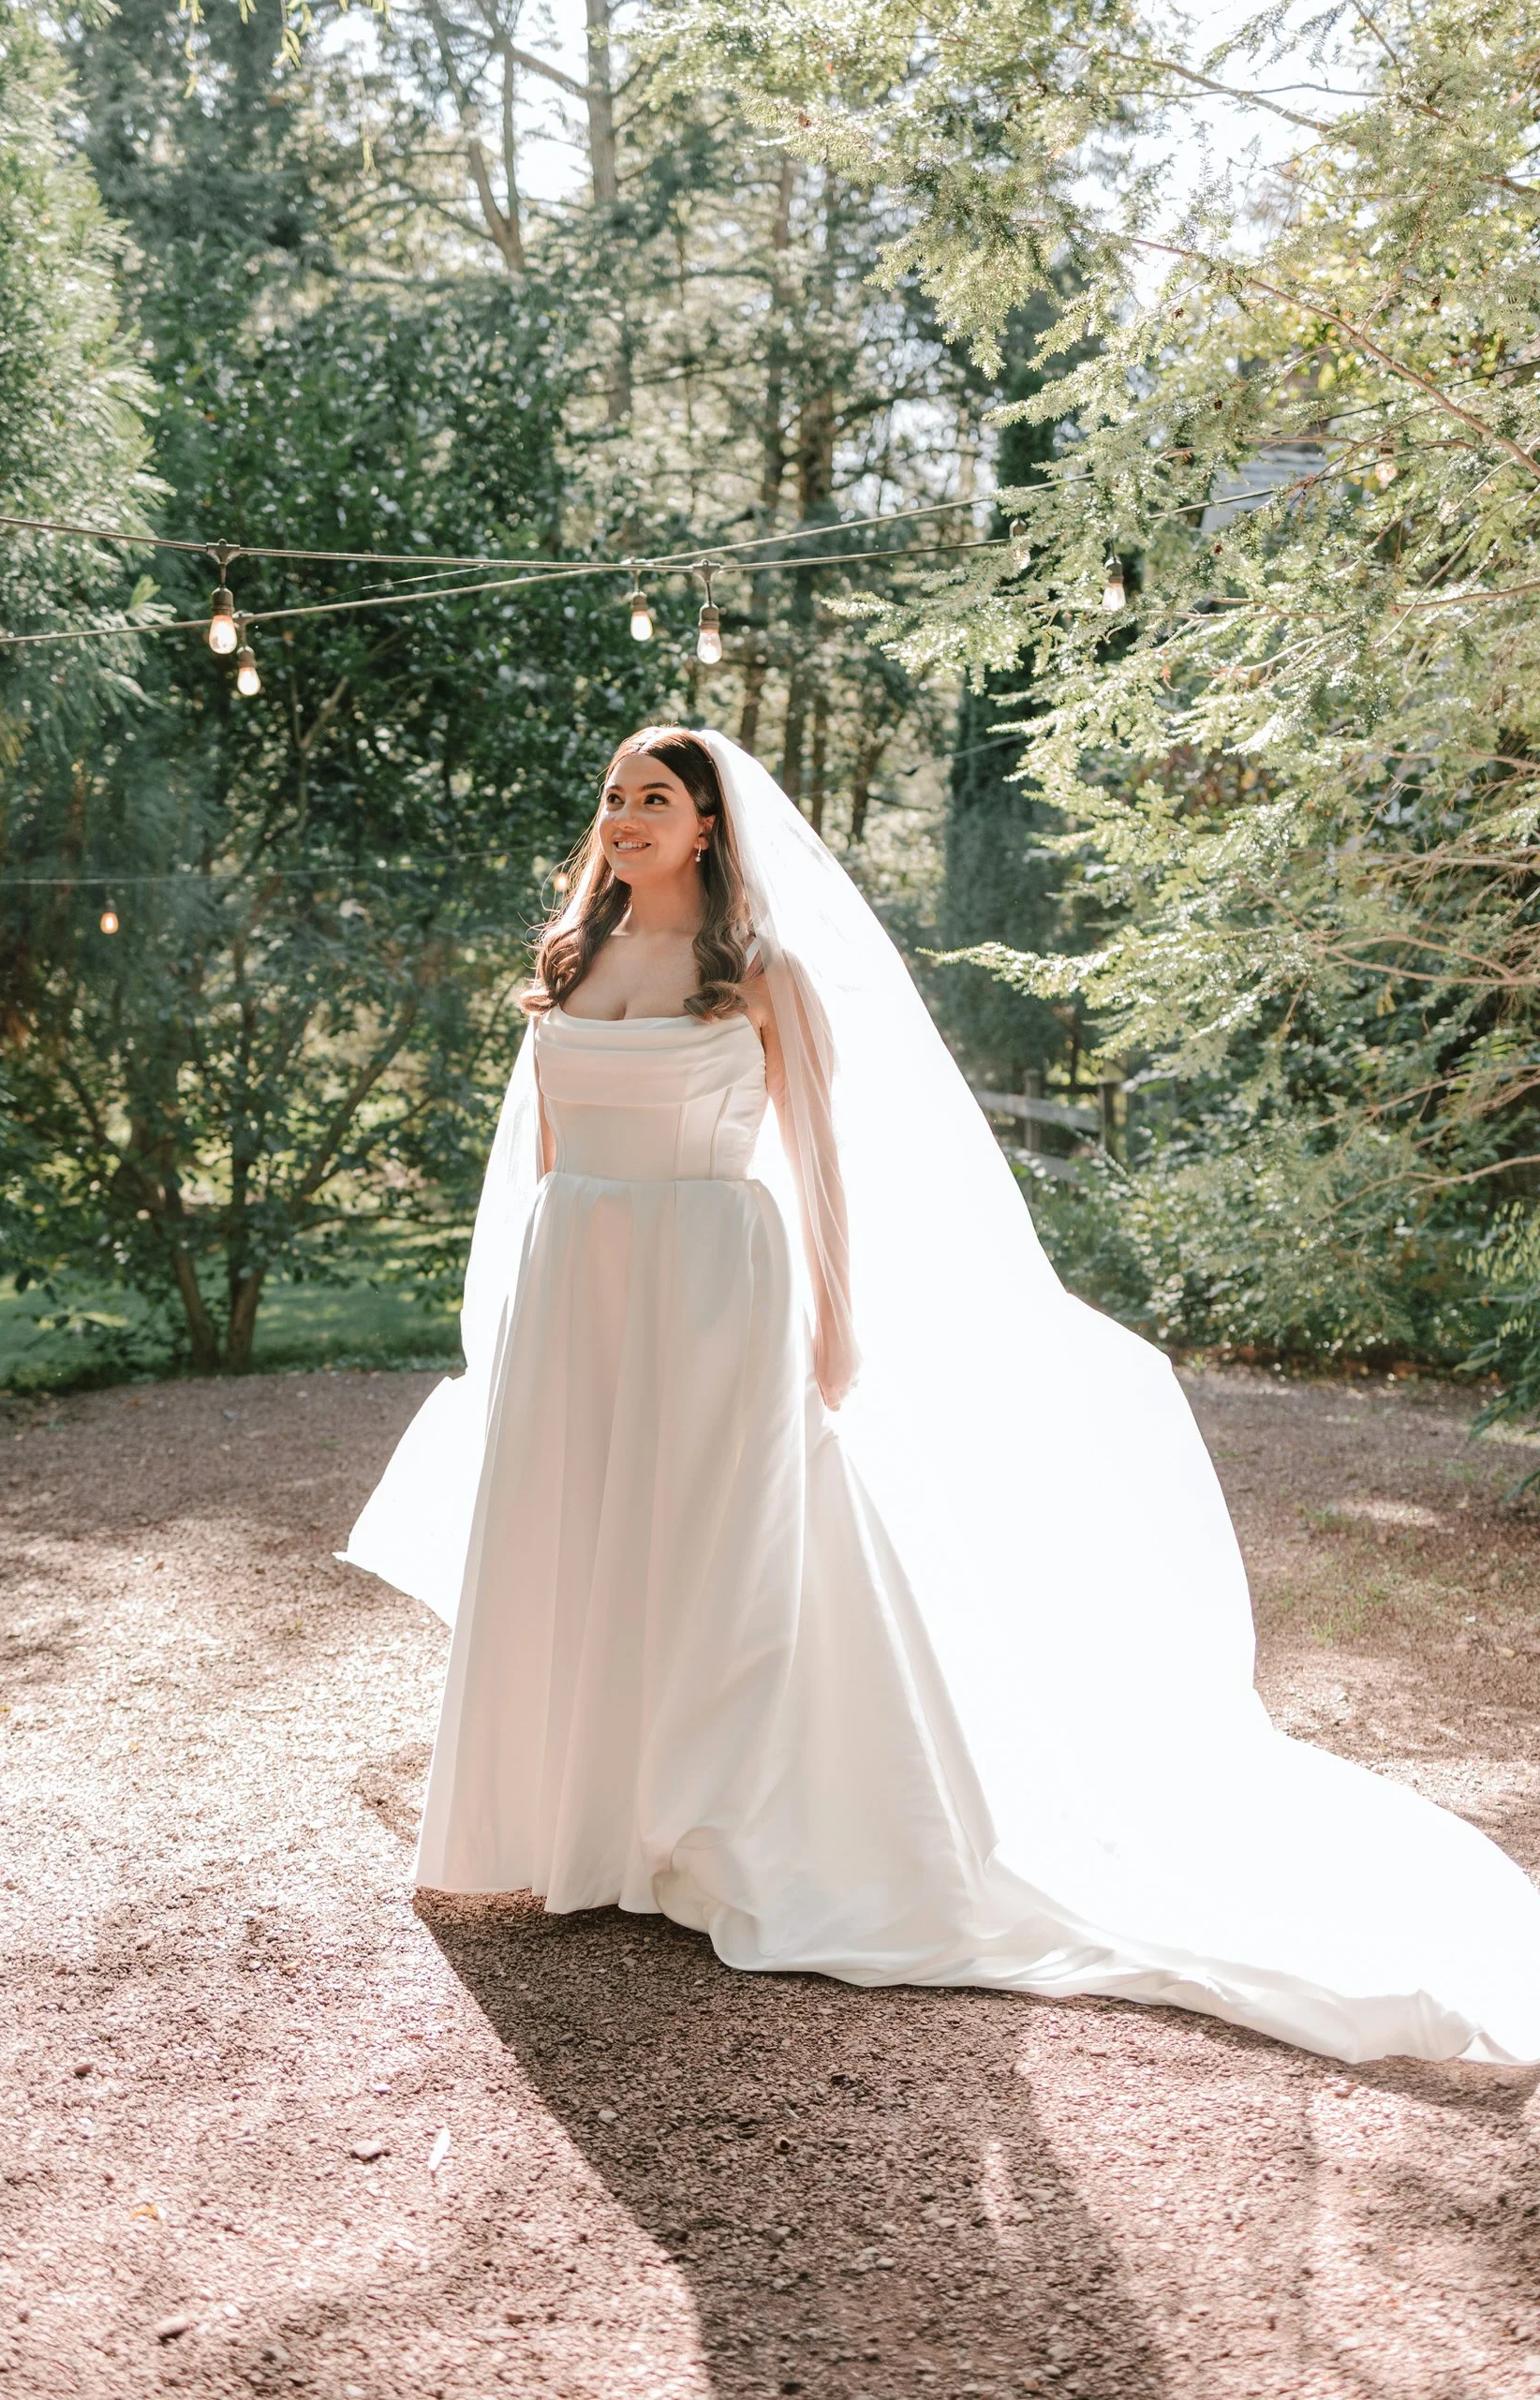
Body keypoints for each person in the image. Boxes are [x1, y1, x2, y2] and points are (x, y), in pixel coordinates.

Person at [345, 725, 1540, 2066]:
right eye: (613, 796)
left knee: (718, 1551)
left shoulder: (759, 975)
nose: (622, 816)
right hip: (578, 1283)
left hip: (711, 1283)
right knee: (583, 1538)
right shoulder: (570, 962)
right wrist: (515, 1301)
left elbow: (821, 1160)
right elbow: (550, 1158)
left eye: (654, 798)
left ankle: (722, 1820)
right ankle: (587, 1825)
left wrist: (836, 1321)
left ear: (706, 828)